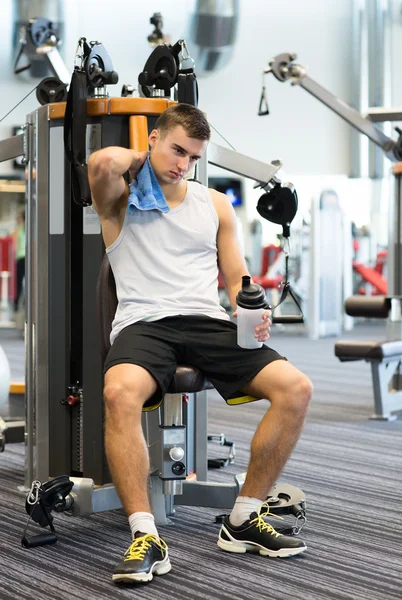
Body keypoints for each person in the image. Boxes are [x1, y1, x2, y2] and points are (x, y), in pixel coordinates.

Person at [87, 103, 313, 585]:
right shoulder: (121, 199)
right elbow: (102, 162)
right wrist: (144, 166)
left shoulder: (213, 204)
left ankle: (243, 519)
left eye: (192, 157)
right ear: (153, 139)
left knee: (296, 388)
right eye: (176, 150)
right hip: (144, 323)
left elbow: (236, 277)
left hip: (205, 321)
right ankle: (145, 535)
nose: (182, 164)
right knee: (117, 393)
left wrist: (250, 305)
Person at [14, 210, 25, 314]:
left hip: (21, 258)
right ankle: (25, 303)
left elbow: (14, 242)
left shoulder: (20, 229)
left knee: (19, 282)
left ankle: (17, 305)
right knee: (26, 282)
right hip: (26, 257)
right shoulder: (30, 228)